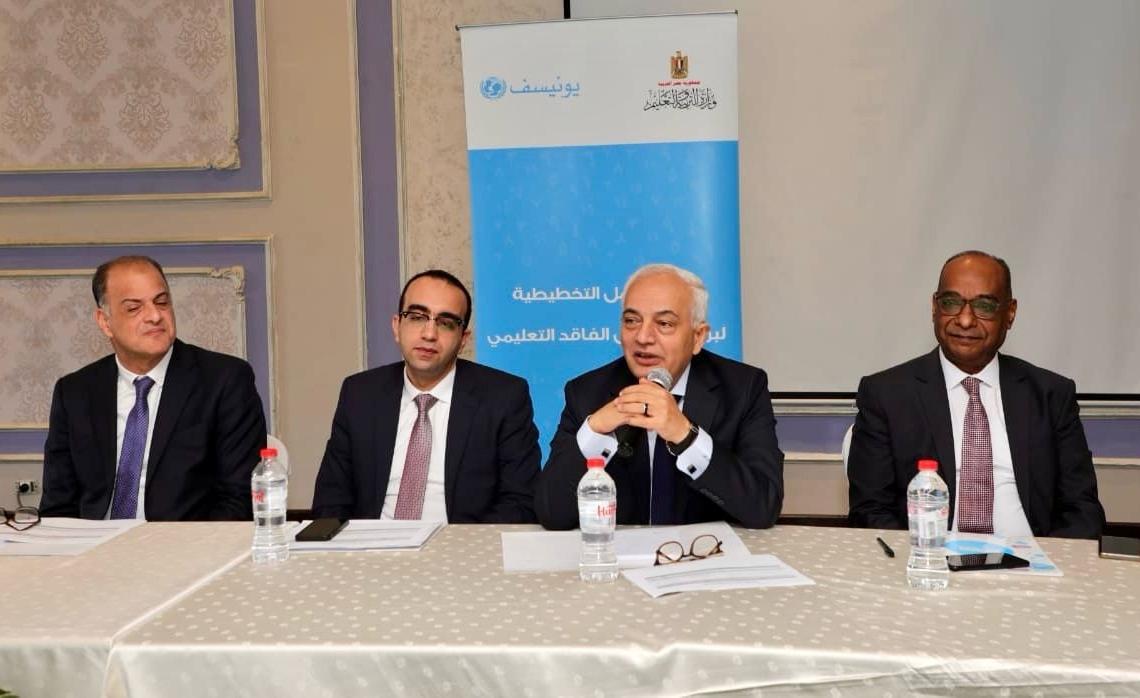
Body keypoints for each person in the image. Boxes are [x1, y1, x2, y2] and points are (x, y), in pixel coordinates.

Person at [847, 250, 1105, 539]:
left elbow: (1082, 509)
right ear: (934, 307)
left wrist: (1045, 562)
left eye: (984, 306)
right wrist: (925, 556)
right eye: (951, 302)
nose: (965, 320)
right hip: (928, 558)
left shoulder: (1051, 395)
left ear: (1010, 313)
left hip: (1032, 558)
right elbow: (870, 512)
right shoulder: (887, 395)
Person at [535, 263, 784, 529]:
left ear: (698, 337)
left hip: (705, 551)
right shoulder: (587, 392)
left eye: (664, 324)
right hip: (619, 552)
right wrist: (595, 431)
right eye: (631, 321)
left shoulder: (743, 388)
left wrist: (686, 436)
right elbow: (551, 513)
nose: (643, 337)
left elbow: (763, 507)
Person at [41, 255, 267, 521]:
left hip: (186, 542)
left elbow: (240, 501)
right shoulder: (75, 392)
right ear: (104, 322)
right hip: (93, 542)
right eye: (134, 308)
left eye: (161, 302)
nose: (155, 316)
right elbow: (58, 506)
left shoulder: (224, 380)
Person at [312, 270, 541, 522]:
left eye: (446, 323)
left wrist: (458, 544)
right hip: (374, 541)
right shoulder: (360, 394)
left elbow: (521, 502)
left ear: (463, 339)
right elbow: (331, 499)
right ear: (397, 326)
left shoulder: (504, 397)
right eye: (417, 317)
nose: (429, 334)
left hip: (460, 543)